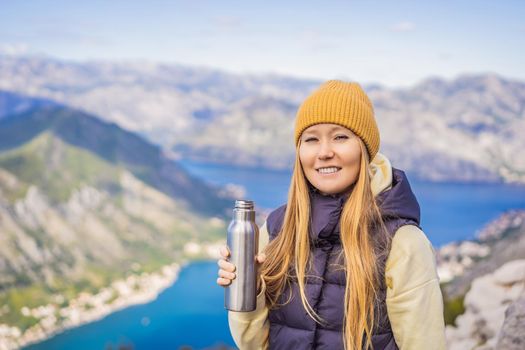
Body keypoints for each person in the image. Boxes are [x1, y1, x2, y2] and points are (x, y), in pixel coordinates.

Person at [217, 80, 447, 350]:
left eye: (340, 137)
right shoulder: (278, 228)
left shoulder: (402, 242)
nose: (324, 152)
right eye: (311, 139)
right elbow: (254, 344)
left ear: (365, 149)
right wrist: (249, 289)